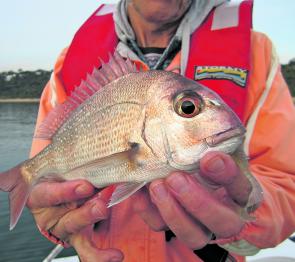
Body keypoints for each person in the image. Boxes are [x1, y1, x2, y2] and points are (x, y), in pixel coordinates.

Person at [28, 0, 295, 261]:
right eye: (188, 108)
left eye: (188, 108)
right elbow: (44, 183)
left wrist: (250, 208)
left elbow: (286, 185)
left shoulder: (255, 50)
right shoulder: (70, 61)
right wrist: (54, 218)